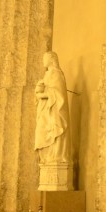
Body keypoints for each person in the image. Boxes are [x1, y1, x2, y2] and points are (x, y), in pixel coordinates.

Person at [35, 50, 71, 189]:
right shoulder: (47, 74)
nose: (43, 61)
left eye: (45, 58)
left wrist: (43, 94)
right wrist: (38, 92)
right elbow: (42, 92)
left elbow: (58, 93)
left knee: (55, 133)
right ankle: (48, 159)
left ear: (51, 59)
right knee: (41, 134)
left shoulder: (56, 73)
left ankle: (55, 157)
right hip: (45, 111)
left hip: (54, 111)